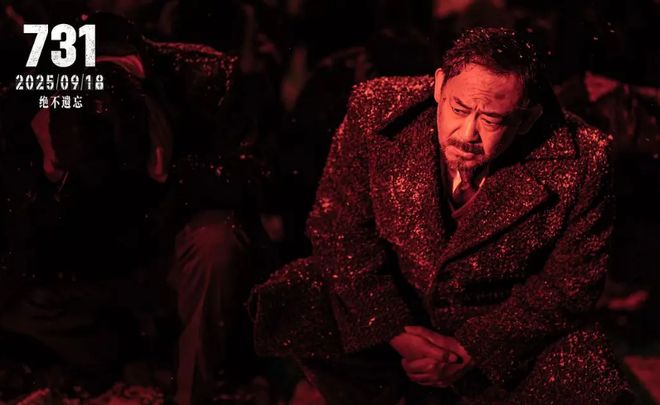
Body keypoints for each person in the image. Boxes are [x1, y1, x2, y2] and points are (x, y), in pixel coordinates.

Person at [250, 27, 633, 403]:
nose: (467, 133)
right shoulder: (377, 109)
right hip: (394, 302)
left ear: (527, 118)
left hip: (498, 320)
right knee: (300, 293)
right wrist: (396, 331)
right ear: (438, 87)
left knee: (591, 383)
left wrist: (474, 349)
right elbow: (338, 227)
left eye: (492, 120)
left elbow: (572, 281)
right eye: (459, 109)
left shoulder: (584, 157)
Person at [0, 12, 277, 404]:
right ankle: (122, 357)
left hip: (169, 255)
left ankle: (190, 388)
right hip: (92, 271)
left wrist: (171, 173)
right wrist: (46, 191)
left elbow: (258, 183)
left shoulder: (205, 81)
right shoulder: (28, 100)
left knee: (217, 242)